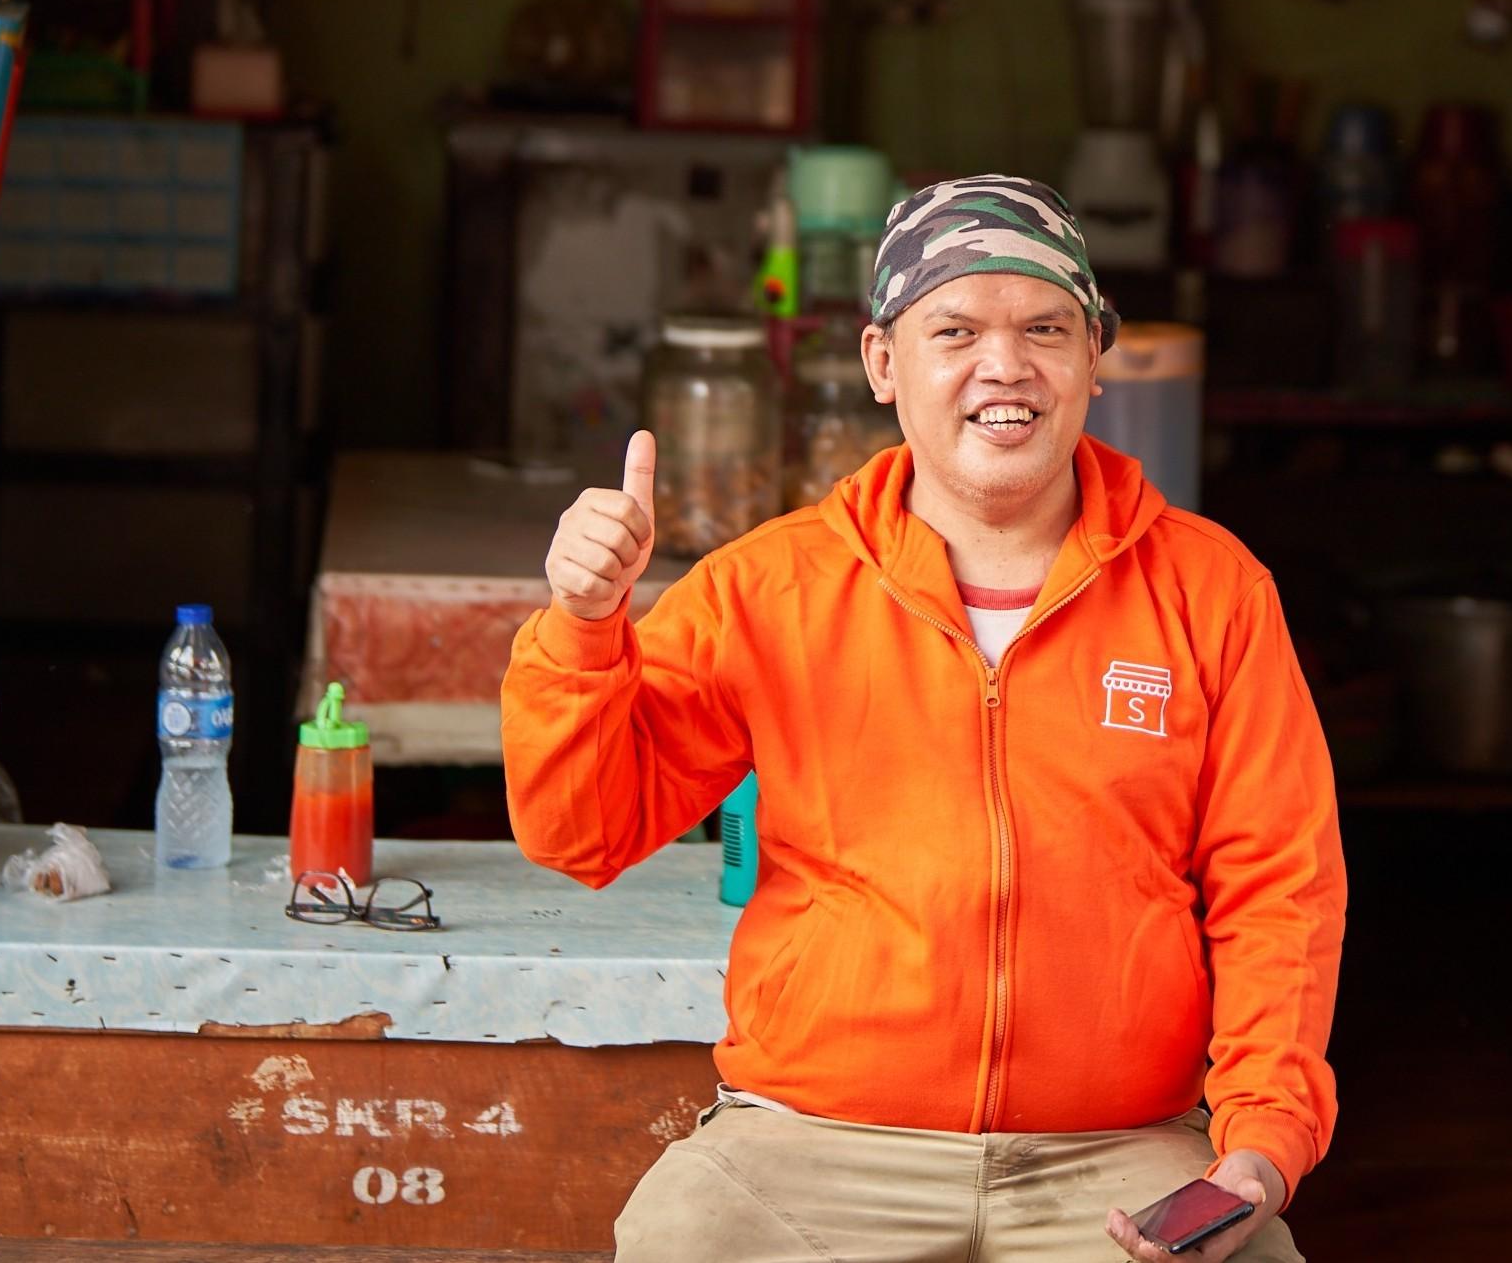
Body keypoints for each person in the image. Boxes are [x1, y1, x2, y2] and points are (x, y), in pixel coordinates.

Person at [506, 174, 1345, 1263]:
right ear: (881, 362)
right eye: (955, 328)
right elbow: (579, 831)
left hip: (1117, 1150)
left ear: (1095, 356)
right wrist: (582, 626)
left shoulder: (1211, 591)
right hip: (811, 1146)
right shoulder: (767, 588)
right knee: (680, 1236)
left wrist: (1258, 1149)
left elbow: (1280, 887)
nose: (1004, 366)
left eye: (1044, 327)